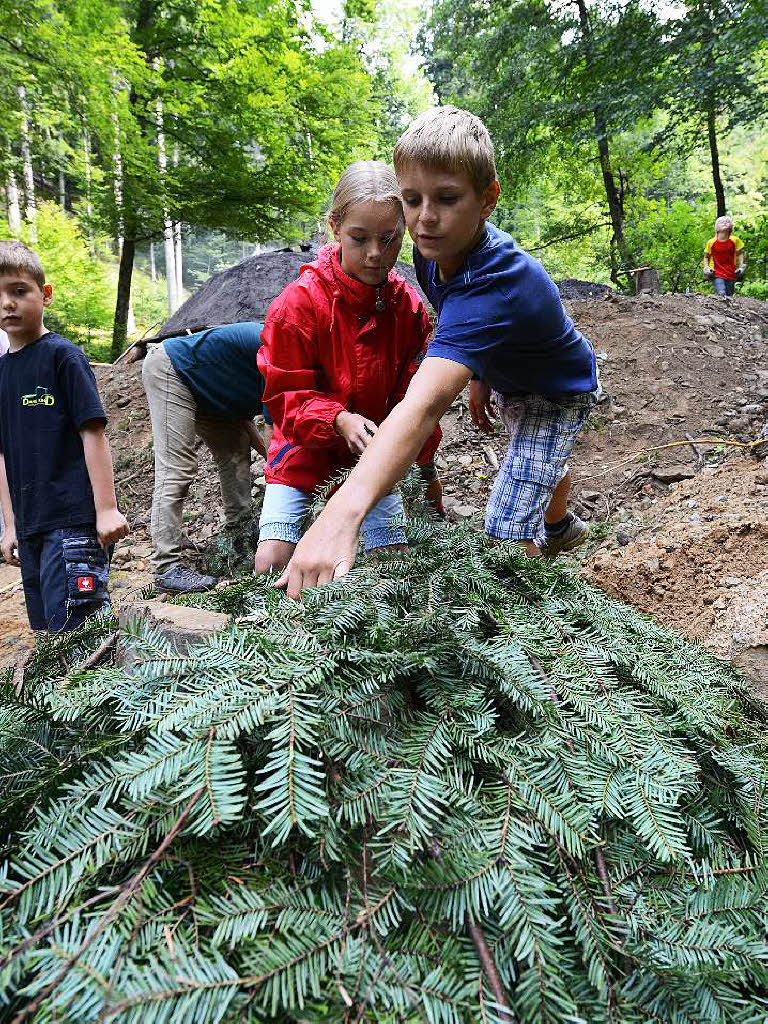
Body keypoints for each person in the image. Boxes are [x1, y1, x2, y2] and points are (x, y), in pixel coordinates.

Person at [275, 107, 599, 598]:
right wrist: (480, 374)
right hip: (509, 379)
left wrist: (340, 514)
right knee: (531, 463)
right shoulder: (433, 254)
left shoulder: (497, 283)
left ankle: (531, 626)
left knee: (506, 525)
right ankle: (558, 524)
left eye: (447, 199)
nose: (425, 218)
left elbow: (423, 404)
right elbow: (464, 327)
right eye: (412, 199)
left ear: (488, 198)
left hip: (557, 394)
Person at [254, 160, 443, 575]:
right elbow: (285, 398)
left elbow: (414, 399)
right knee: (272, 560)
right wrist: (337, 419)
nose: (376, 254)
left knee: (391, 564)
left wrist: (418, 461)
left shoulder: (407, 308)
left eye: (389, 239)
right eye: (359, 239)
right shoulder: (298, 304)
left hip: (373, 455)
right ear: (335, 227)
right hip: (301, 451)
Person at [0, 240, 129, 631]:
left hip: (73, 524)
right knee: (47, 633)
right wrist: (9, 525)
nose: (8, 303)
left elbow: (93, 432)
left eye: (18, 291)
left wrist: (106, 509)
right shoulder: (1, 373)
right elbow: (2, 454)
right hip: (29, 527)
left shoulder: (63, 357)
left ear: (45, 294)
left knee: (78, 631)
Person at [142, 321, 272, 593]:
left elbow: (263, 439)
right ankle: (167, 567)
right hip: (173, 370)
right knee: (177, 469)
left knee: (236, 458)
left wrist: (273, 464)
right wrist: (280, 474)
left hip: (215, 397)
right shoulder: (276, 349)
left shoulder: (294, 363)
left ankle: (239, 541)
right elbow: (279, 437)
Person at [703, 216, 746, 297]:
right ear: (717, 228)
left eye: (727, 221)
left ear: (731, 227)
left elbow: (740, 253)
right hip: (716, 273)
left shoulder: (735, 240)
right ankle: (720, 306)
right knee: (722, 292)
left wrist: (741, 266)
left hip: (731, 273)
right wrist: (706, 267)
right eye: (722, 222)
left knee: (729, 294)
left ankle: (726, 309)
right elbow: (706, 256)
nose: (725, 223)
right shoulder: (711, 242)